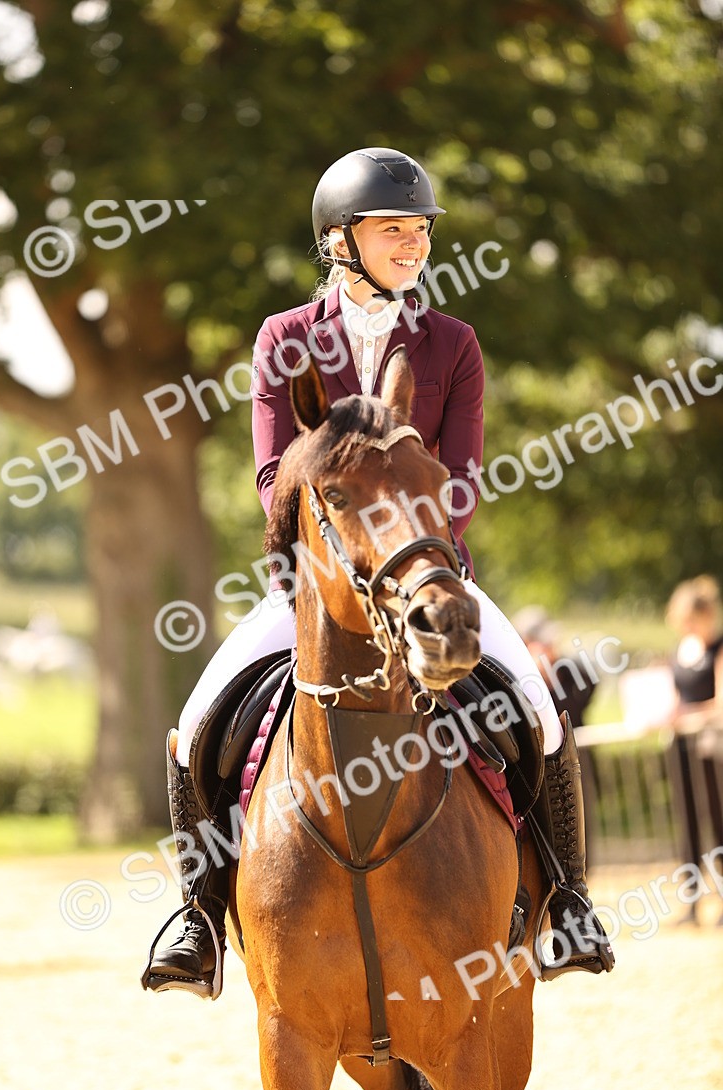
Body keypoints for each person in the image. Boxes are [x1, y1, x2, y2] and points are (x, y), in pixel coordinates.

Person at [144, 147, 614, 994]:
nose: (414, 244)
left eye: (421, 231)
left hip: (424, 577)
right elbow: (268, 478)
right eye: (392, 229)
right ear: (338, 240)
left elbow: (460, 482)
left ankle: (570, 901)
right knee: (195, 720)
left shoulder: (453, 344)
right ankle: (198, 916)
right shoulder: (285, 338)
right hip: (314, 585)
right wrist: (332, 559)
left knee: (540, 713)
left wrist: (412, 563)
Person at [665, 576, 723, 924]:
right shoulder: (680, 652)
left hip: (712, 747)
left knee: (718, 823)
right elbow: (675, 697)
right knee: (687, 823)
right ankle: (691, 901)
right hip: (682, 746)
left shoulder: (718, 648)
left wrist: (688, 714)